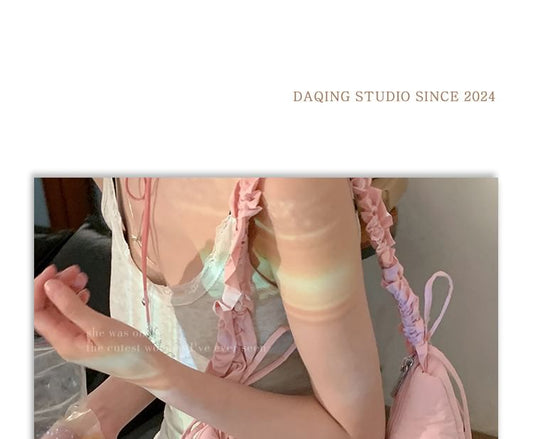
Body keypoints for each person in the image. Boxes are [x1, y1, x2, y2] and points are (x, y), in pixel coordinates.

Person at [34, 177, 386, 439]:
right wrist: (85, 424)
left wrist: (149, 370)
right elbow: (170, 351)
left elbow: (354, 433)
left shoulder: (290, 185)